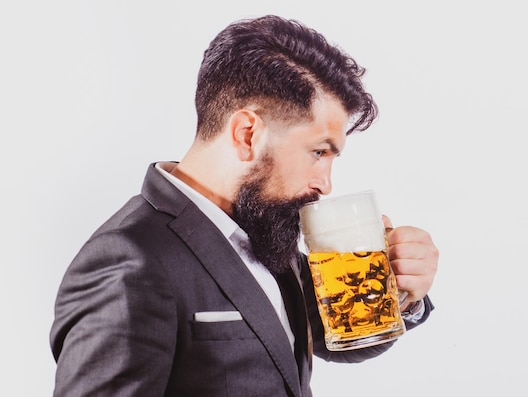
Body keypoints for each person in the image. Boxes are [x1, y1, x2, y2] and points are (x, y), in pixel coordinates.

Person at [50, 14, 439, 397]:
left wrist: (402, 293)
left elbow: (336, 335)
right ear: (247, 133)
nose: (326, 183)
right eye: (318, 152)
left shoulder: (266, 229)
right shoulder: (128, 260)